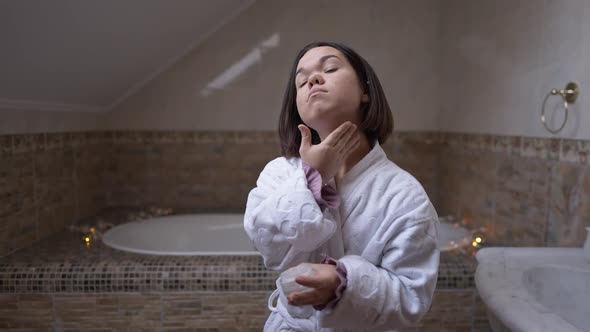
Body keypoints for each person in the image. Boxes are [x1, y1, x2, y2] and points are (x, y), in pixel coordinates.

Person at [243, 41, 439, 332]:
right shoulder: (279, 173)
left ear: (365, 92)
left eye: (330, 68)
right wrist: (313, 177)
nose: (312, 79)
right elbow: (269, 247)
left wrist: (344, 283)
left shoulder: (405, 195)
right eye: (301, 80)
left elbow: (410, 298)